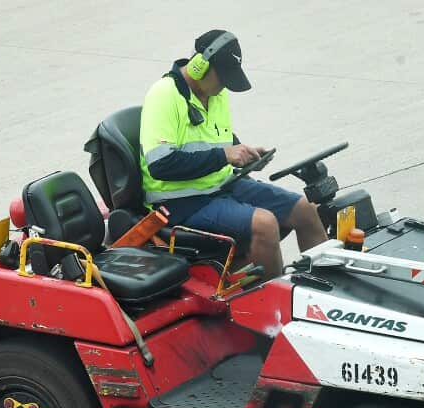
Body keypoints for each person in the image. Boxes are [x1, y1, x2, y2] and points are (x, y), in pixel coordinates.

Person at [139, 30, 327, 279]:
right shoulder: (164, 94)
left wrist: (246, 155)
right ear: (199, 66)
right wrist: (225, 156)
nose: (223, 87)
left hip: (222, 186)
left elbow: (221, 141)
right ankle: (276, 309)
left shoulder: (216, 95)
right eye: (222, 78)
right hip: (179, 204)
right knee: (265, 223)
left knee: (304, 209)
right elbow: (160, 165)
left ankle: (329, 295)